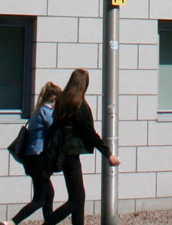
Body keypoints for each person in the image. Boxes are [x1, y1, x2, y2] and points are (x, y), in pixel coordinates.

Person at [48, 68, 120, 225]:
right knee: (77, 199)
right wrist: (109, 154)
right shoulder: (79, 105)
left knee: (76, 197)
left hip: (62, 152)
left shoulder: (62, 102)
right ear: (84, 85)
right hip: (71, 154)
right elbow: (90, 133)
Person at [1, 80, 63, 225]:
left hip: (33, 157)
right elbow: (54, 125)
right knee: (39, 199)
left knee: (49, 194)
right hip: (39, 158)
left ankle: (48, 222)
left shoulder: (38, 110)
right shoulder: (46, 111)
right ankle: (12, 222)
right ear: (54, 98)